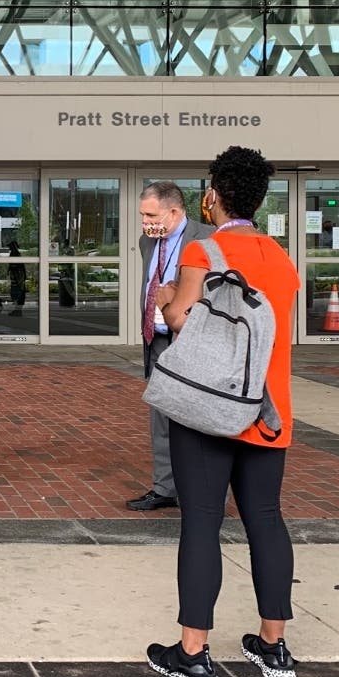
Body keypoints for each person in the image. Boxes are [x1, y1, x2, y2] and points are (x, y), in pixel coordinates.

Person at [145, 146, 301, 677]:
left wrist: (167, 299)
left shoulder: (202, 252)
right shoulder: (282, 259)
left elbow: (183, 321)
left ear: (213, 195)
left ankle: (193, 654)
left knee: (203, 521)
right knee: (266, 519)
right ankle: (274, 647)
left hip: (210, 410)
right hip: (268, 411)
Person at [127, 182, 213, 512]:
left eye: (151, 214)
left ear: (175, 211)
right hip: (158, 340)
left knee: (199, 417)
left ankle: (204, 491)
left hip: (194, 341)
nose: (145, 222)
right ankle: (165, 487)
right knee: (161, 415)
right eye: (142, 215)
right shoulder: (147, 241)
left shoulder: (207, 237)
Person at [7, 240, 27, 316]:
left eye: (10, 246)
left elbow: (16, 265)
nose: (9, 247)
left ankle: (17, 310)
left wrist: (11, 271)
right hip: (18, 276)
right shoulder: (16, 254)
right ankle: (18, 310)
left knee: (18, 292)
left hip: (17, 276)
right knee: (19, 291)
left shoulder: (14, 254)